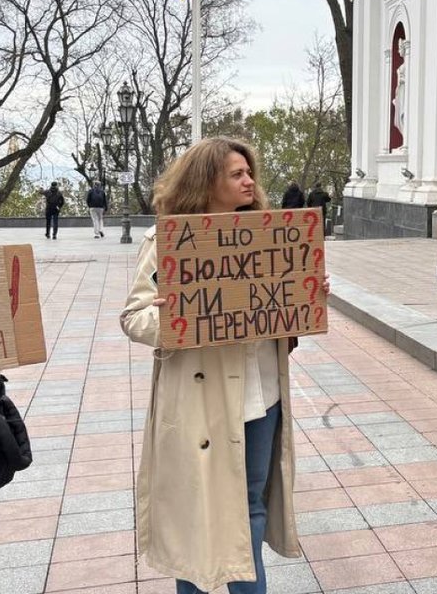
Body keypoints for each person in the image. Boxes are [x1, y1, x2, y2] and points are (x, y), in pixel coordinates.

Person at [122, 136, 327, 594]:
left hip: (261, 396)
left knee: (250, 507)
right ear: (206, 181)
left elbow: (281, 321)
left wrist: (307, 294)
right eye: (237, 174)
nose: (249, 181)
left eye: (250, 172)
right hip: (200, 400)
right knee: (196, 512)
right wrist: (181, 315)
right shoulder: (168, 239)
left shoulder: (272, 235)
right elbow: (135, 317)